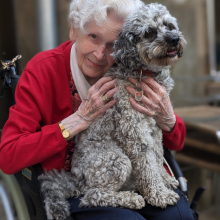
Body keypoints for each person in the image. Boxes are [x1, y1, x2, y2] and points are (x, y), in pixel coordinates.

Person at [0, 0, 193, 219]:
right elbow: (9, 155)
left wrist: (167, 119)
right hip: (75, 187)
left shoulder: (134, 69)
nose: (101, 54)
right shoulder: (43, 70)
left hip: (134, 177)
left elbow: (175, 141)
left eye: (113, 44)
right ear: (74, 29)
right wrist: (76, 121)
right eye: (93, 37)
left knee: (178, 215)